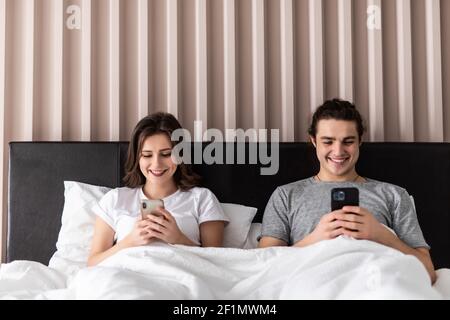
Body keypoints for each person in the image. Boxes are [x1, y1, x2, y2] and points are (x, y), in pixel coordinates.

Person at [258, 99, 436, 284]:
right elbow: (263, 269)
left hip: (374, 284)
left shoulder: (394, 195)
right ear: (314, 141)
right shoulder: (286, 195)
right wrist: (314, 239)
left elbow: (428, 272)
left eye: (348, 141)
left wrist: (381, 235)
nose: (338, 151)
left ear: (360, 141)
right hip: (312, 284)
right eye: (328, 141)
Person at [88, 112, 229, 266]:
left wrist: (179, 239)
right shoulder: (115, 198)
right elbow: (93, 263)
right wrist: (129, 241)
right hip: (127, 277)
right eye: (147, 155)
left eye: (166, 154)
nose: (156, 164)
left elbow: (216, 264)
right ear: (137, 158)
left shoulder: (202, 198)